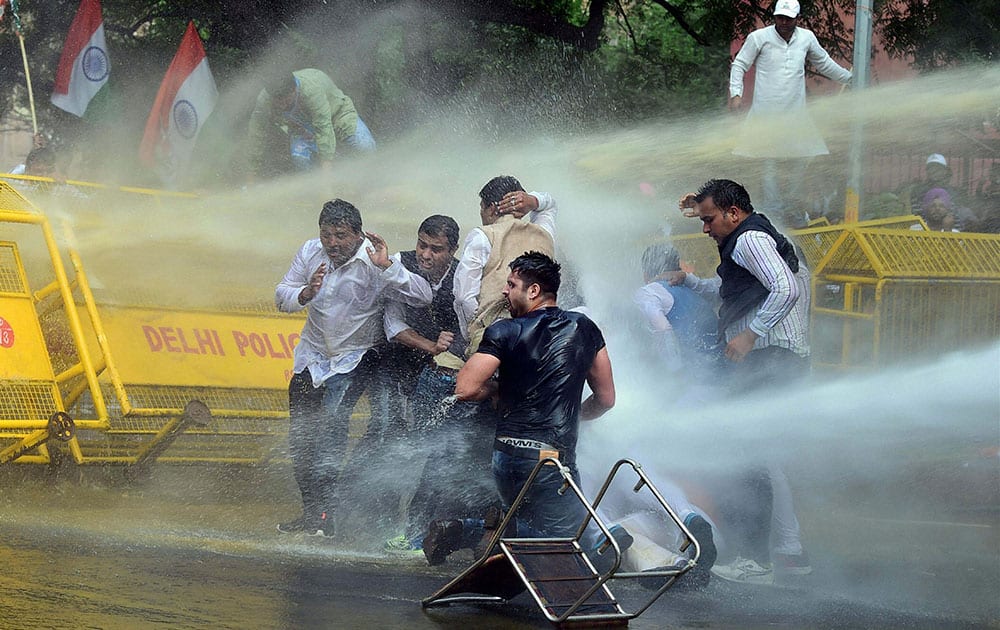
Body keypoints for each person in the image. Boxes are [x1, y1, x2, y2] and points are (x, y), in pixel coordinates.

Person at [421, 251, 616, 564]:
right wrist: (573, 417)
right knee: (569, 537)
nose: (504, 291)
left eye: (511, 284)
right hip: (552, 457)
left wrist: (499, 388)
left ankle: (488, 540)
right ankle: (468, 531)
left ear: (534, 291)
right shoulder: (584, 328)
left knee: (537, 525)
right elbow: (606, 398)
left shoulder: (504, 331)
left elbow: (466, 388)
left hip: (507, 457)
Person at [676, 179, 811, 583]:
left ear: (733, 213)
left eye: (709, 218)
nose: (705, 228)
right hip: (774, 358)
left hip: (769, 357)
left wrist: (751, 333)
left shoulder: (749, 238)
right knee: (762, 457)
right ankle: (790, 552)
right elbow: (732, 288)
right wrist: (691, 282)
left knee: (745, 456)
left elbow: (785, 288)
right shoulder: (746, 240)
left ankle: (756, 561)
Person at [274, 199, 432, 538]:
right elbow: (281, 294)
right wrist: (304, 293)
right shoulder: (310, 251)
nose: (332, 243)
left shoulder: (375, 259)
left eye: (341, 236)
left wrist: (388, 266)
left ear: (358, 235)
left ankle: (325, 517)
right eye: (327, 235)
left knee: (331, 431)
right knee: (300, 437)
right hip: (311, 356)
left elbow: (423, 295)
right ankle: (310, 512)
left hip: (353, 359)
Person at [729, 0, 852, 213]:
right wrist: (736, 94)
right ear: (775, 16)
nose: (784, 22)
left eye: (788, 18)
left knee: (803, 158)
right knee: (769, 162)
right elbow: (739, 64)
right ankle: (772, 210)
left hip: (796, 115)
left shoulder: (806, 38)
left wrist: (850, 78)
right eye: (780, 17)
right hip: (766, 115)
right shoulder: (759, 38)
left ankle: (790, 207)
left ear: (797, 18)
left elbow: (823, 62)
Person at [453, 176, 557, 356]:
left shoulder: (483, 236)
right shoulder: (544, 233)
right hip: (544, 332)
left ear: (491, 208)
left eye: (482, 208)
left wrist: (472, 331)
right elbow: (550, 205)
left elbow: (463, 297)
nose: (482, 214)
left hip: (498, 335)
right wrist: (533, 200)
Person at [247, 68, 375, 176]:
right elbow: (256, 134)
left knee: (365, 147)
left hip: (338, 115)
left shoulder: (312, 90)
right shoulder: (265, 99)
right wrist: (251, 175)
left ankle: (369, 181)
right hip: (303, 127)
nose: (282, 105)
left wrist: (326, 183)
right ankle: (314, 191)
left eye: (286, 100)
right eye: (278, 101)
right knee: (300, 160)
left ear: (294, 90)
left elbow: (324, 128)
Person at [633, 242, 720, 375]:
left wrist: (675, 371)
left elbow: (662, 330)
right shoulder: (692, 287)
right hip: (722, 365)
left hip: (699, 376)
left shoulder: (648, 292)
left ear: (645, 275)